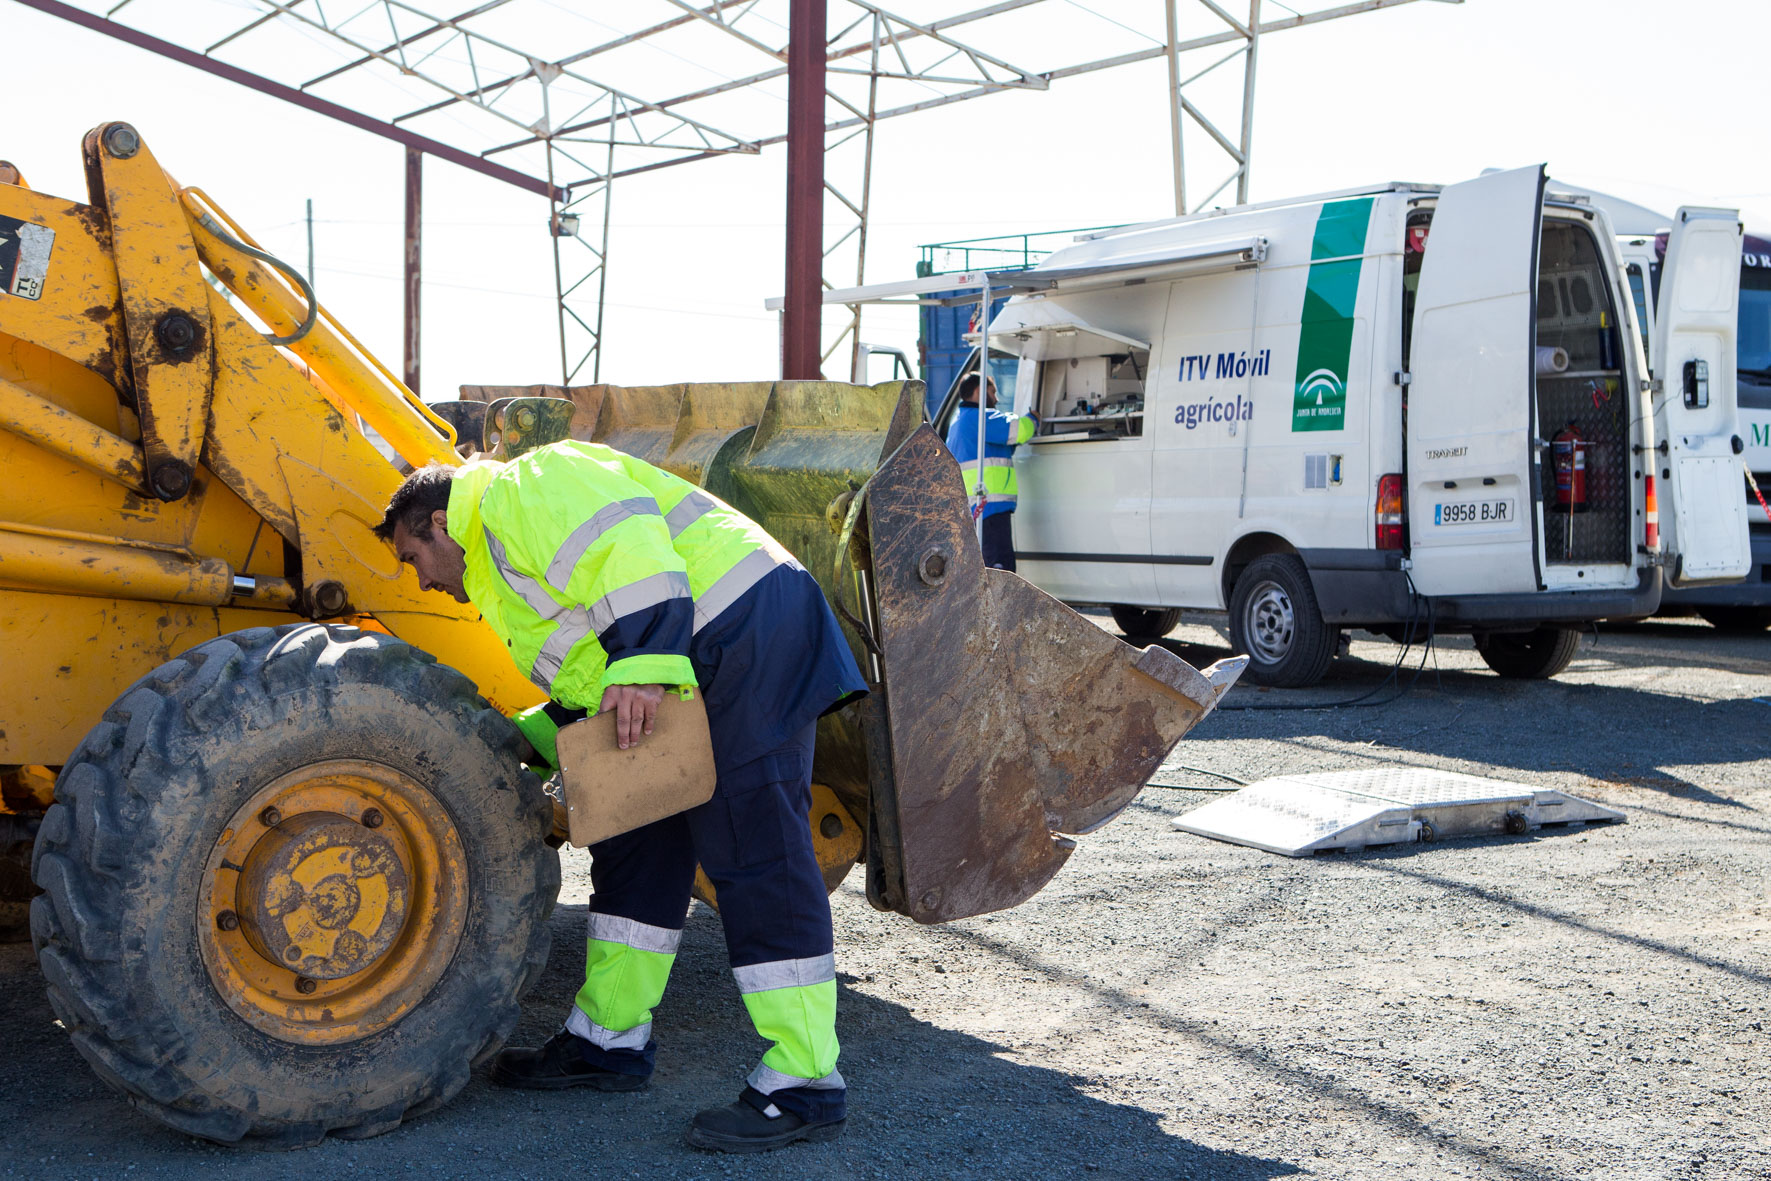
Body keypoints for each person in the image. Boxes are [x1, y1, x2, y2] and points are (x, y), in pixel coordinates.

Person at [374, 440, 867, 1153]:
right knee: (633, 843)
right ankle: (606, 1040)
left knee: (753, 845)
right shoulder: (498, 571)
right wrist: (526, 736)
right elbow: (584, 673)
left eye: (409, 559)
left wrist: (641, 664)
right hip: (680, 654)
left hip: (740, 630)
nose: (417, 582)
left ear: (437, 525)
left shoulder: (523, 489)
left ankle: (804, 1080)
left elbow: (630, 551)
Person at [944, 373, 1036, 571]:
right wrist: (1033, 418)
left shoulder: (958, 423)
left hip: (977, 510)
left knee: (989, 569)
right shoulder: (981, 419)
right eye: (992, 392)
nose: (997, 398)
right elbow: (1019, 430)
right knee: (1001, 570)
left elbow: (999, 448)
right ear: (979, 391)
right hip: (990, 508)